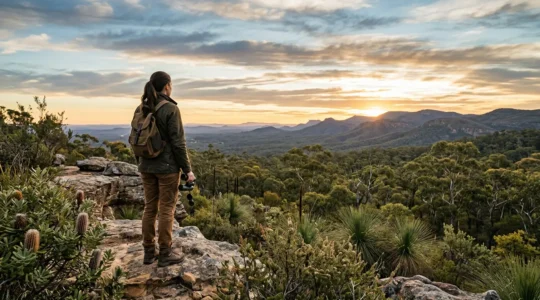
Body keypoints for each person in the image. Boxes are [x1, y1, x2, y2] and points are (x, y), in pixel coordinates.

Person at [134, 71, 196, 267]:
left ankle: (148, 252)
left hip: (145, 166)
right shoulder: (170, 108)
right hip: (167, 168)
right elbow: (178, 143)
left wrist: (141, 161)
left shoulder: (141, 107)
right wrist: (188, 170)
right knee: (167, 209)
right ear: (167, 86)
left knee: (150, 208)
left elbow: (137, 138)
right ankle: (165, 252)